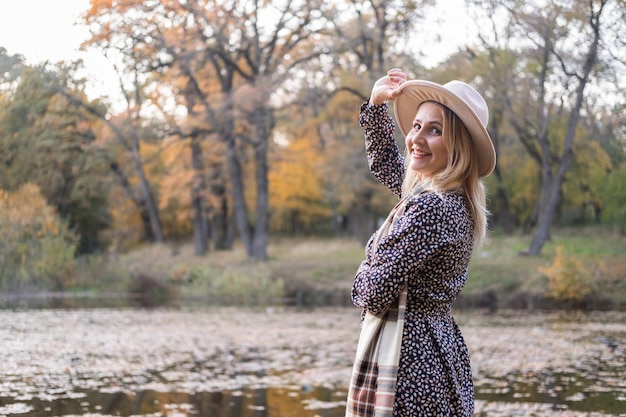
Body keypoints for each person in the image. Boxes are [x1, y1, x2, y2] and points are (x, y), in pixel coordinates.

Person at [345, 68, 496, 417]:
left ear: (457, 146)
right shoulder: (447, 197)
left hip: (410, 363)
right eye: (416, 126)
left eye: (435, 130)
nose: (416, 138)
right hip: (435, 350)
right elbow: (388, 164)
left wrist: (366, 264)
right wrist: (376, 105)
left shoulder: (431, 208)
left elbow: (370, 293)